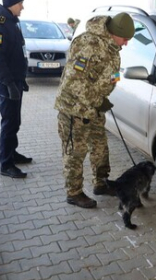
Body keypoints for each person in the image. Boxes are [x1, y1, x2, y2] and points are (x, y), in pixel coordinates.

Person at [55, 13, 135, 208]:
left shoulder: (112, 46)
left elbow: (107, 76)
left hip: (94, 107)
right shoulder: (89, 45)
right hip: (75, 109)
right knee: (75, 152)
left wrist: (101, 99)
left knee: (100, 147)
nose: (125, 44)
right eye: (125, 39)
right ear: (115, 33)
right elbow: (73, 82)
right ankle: (74, 193)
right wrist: (98, 100)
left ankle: (101, 184)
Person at [0, 0, 31, 179]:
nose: (22, 7)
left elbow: (16, 54)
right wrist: (10, 84)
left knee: (15, 122)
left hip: (15, 83)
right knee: (8, 124)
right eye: (20, 3)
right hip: (7, 86)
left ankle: (12, 153)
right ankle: (6, 164)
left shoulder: (11, 22)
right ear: (11, 3)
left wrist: (21, 80)